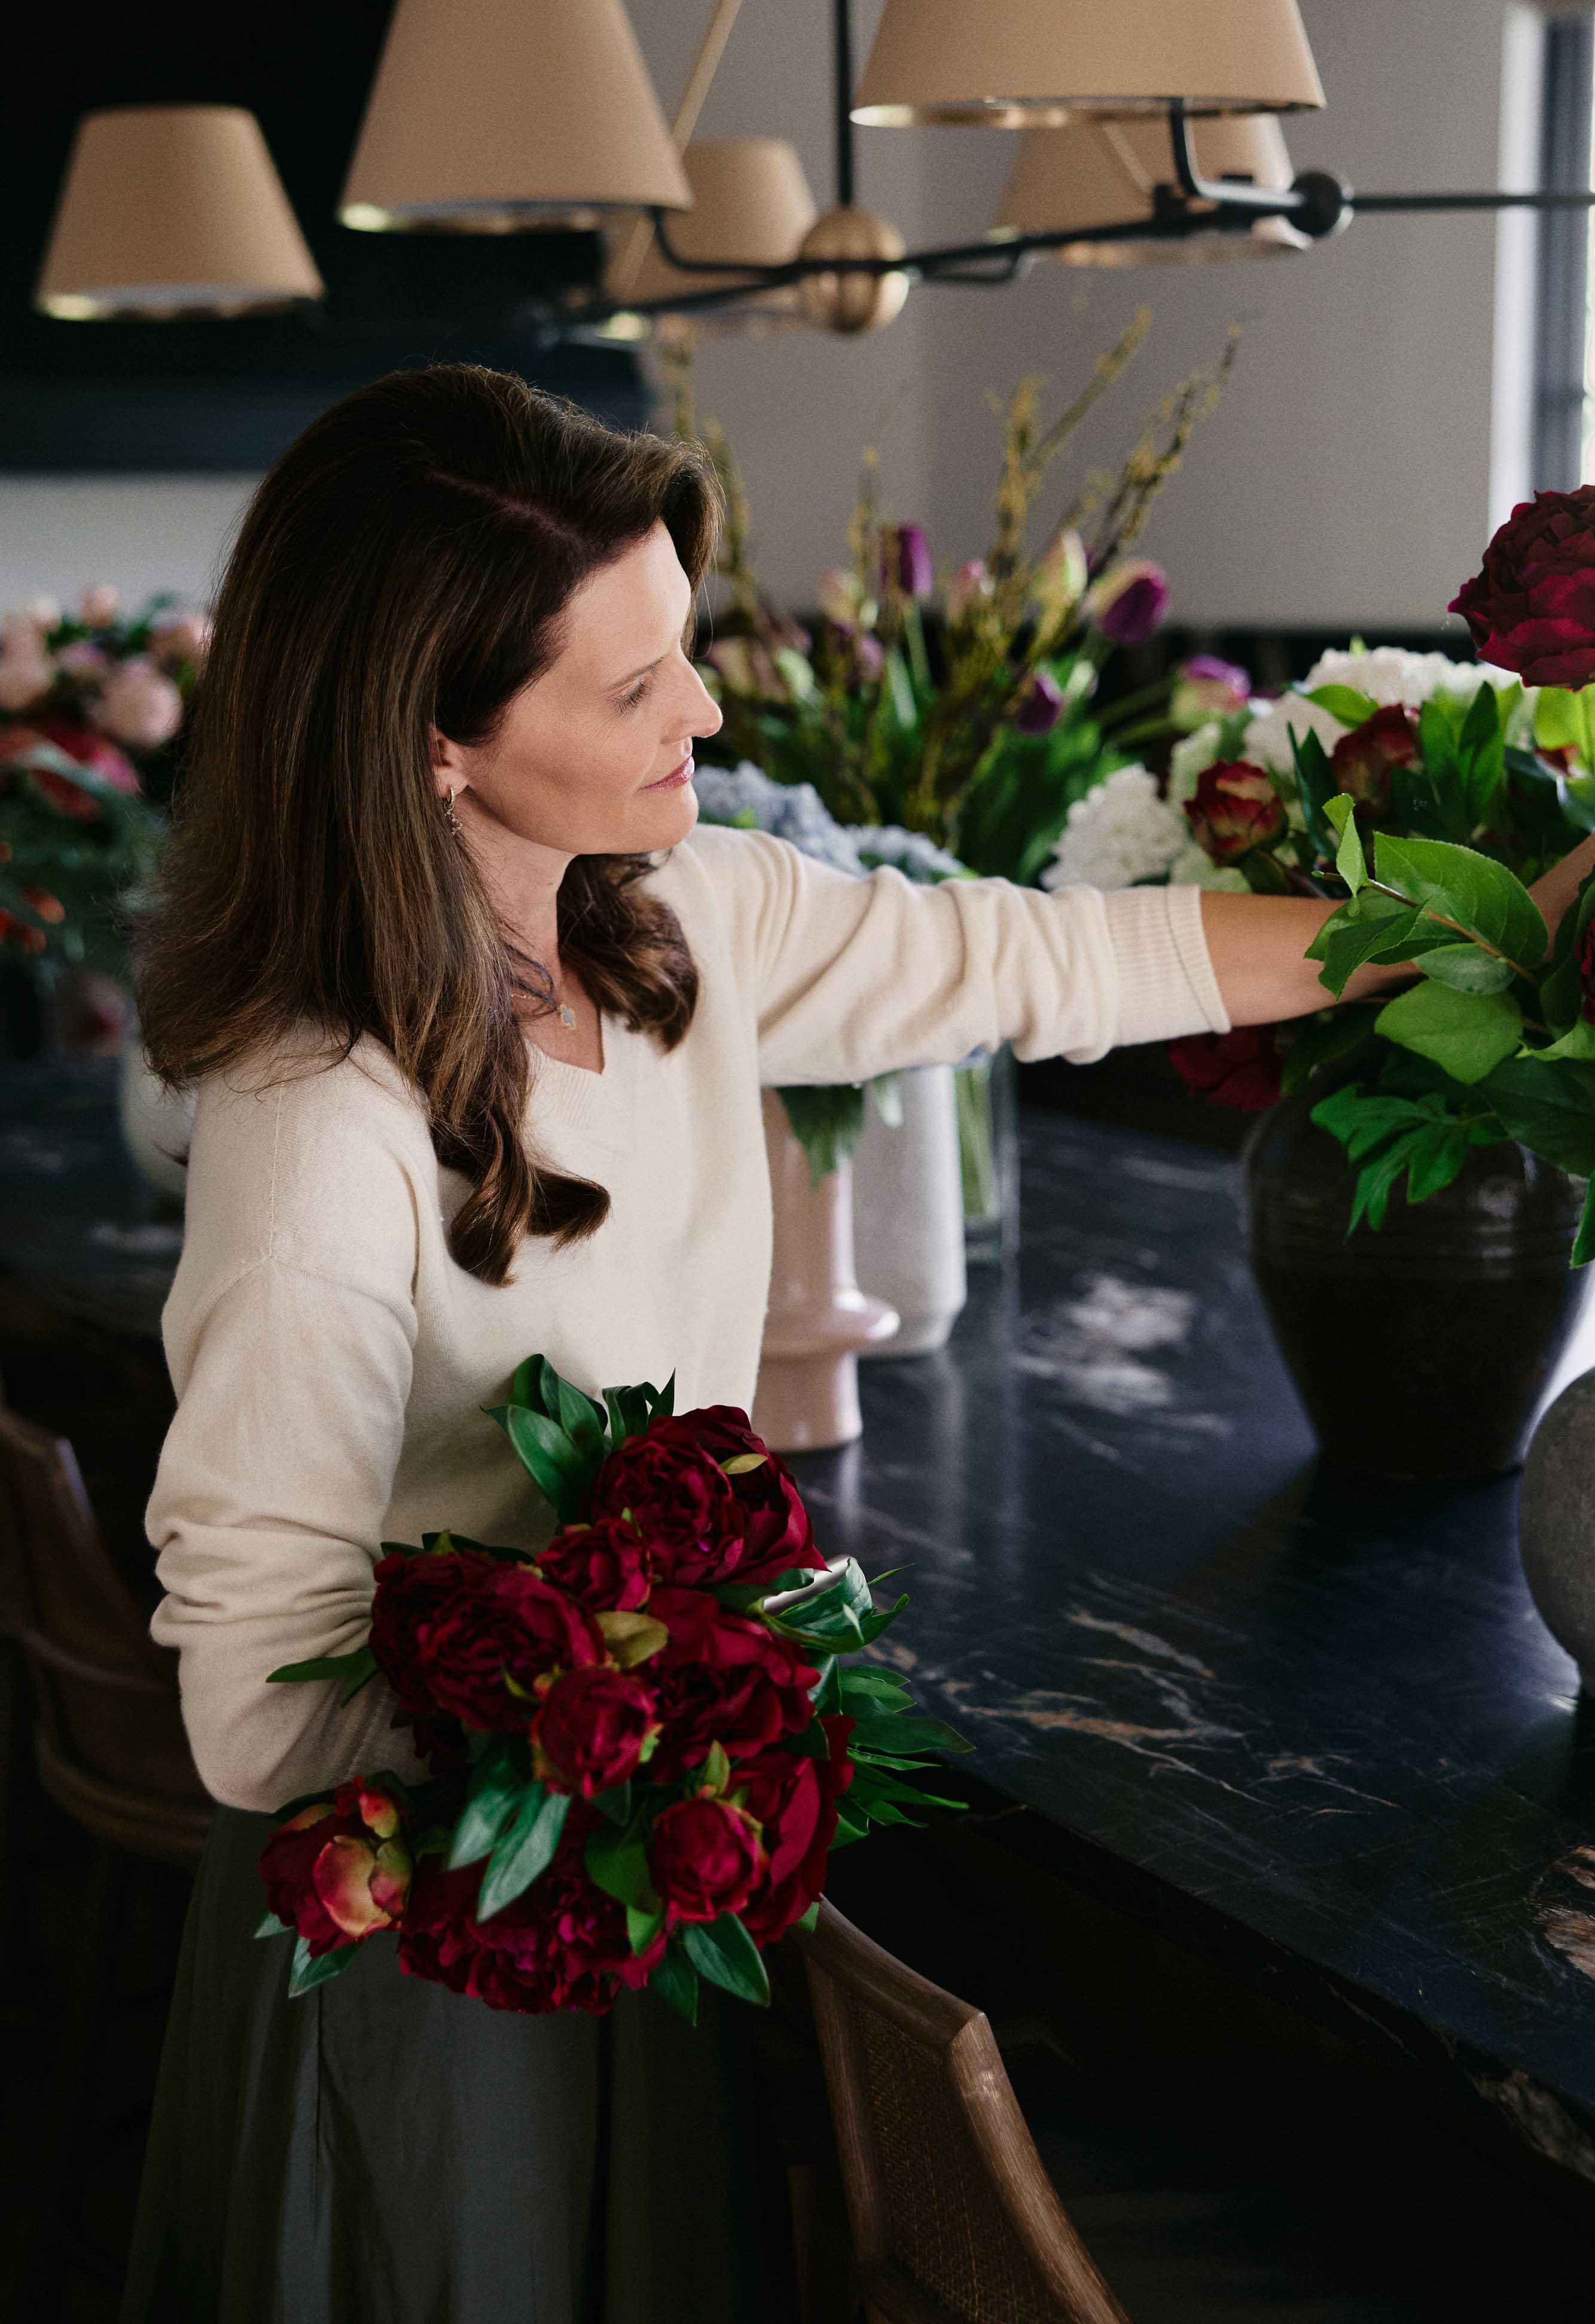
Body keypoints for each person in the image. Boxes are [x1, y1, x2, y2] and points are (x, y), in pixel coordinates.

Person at [117, 365, 1595, 2324]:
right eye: (634, 689)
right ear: (436, 742)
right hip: (430, 1941)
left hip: (622, 1868)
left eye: (689, 654)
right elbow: (256, 1713)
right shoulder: (320, 1129)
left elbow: (1037, 959)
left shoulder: (669, 926)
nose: (707, 714)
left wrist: (1474, 931)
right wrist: (639, 1696)